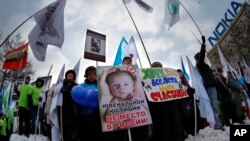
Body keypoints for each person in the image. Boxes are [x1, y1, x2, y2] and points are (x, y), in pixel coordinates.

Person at [148, 62, 185, 141]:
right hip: (158, 112)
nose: (158, 70)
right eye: (155, 68)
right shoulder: (148, 82)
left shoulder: (169, 80)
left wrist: (187, 91)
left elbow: (178, 90)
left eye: (160, 67)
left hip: (171, 110)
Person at [194, 36, 222, 129]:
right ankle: (217, 125)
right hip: (209, 86)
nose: (204, 57)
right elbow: (202, 55)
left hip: (211, 85)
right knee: (214, 105)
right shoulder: (200, 63)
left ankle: (217, 124)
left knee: (214, 105)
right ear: (199, 58)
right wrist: (203, 44)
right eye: (201, 56)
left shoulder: (202, 65)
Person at [75, 66, 103, 141]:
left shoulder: (101, 85)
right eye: (89, 74)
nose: (91, 76)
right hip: (84, 116)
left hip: (98, 116)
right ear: (86, 76)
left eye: (93, 74)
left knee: (98, 135)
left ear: (96, 75)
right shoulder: (81, 86)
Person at [176, 69, 203, 136]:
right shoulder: (177, 82)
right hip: (184, 103)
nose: (180, 74)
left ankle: (197, 129)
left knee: (194, 114)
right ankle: (190, 132)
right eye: (179, 73)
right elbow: (180, 90)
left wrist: (191, 91)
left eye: (181, 73)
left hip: (190, 101)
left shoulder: (185, 80)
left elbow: (187, 88)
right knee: (188, 117)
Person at [60, 70, 78, 141]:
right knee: (64, 127)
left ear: (74, 77)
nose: (70, 75)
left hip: (73, 109)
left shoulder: (76, 86)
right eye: (69, 74)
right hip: (63, 110)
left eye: (72, 75)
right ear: (66, 76)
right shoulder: (61, 85)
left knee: (73, 127)